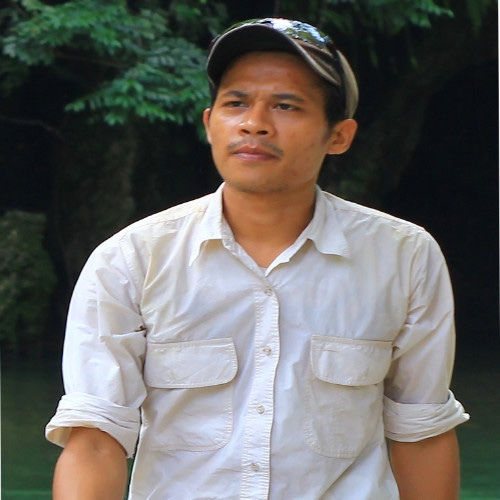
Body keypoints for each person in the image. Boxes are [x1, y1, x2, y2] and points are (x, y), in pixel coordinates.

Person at [46, 17, 469, 499]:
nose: (254, 123)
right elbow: (95, 439)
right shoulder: (131, 259)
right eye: (236, 103)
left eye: (286, 105)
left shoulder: (403, 256)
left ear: (339, 136)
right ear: (209, 123)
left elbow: (421, 431)